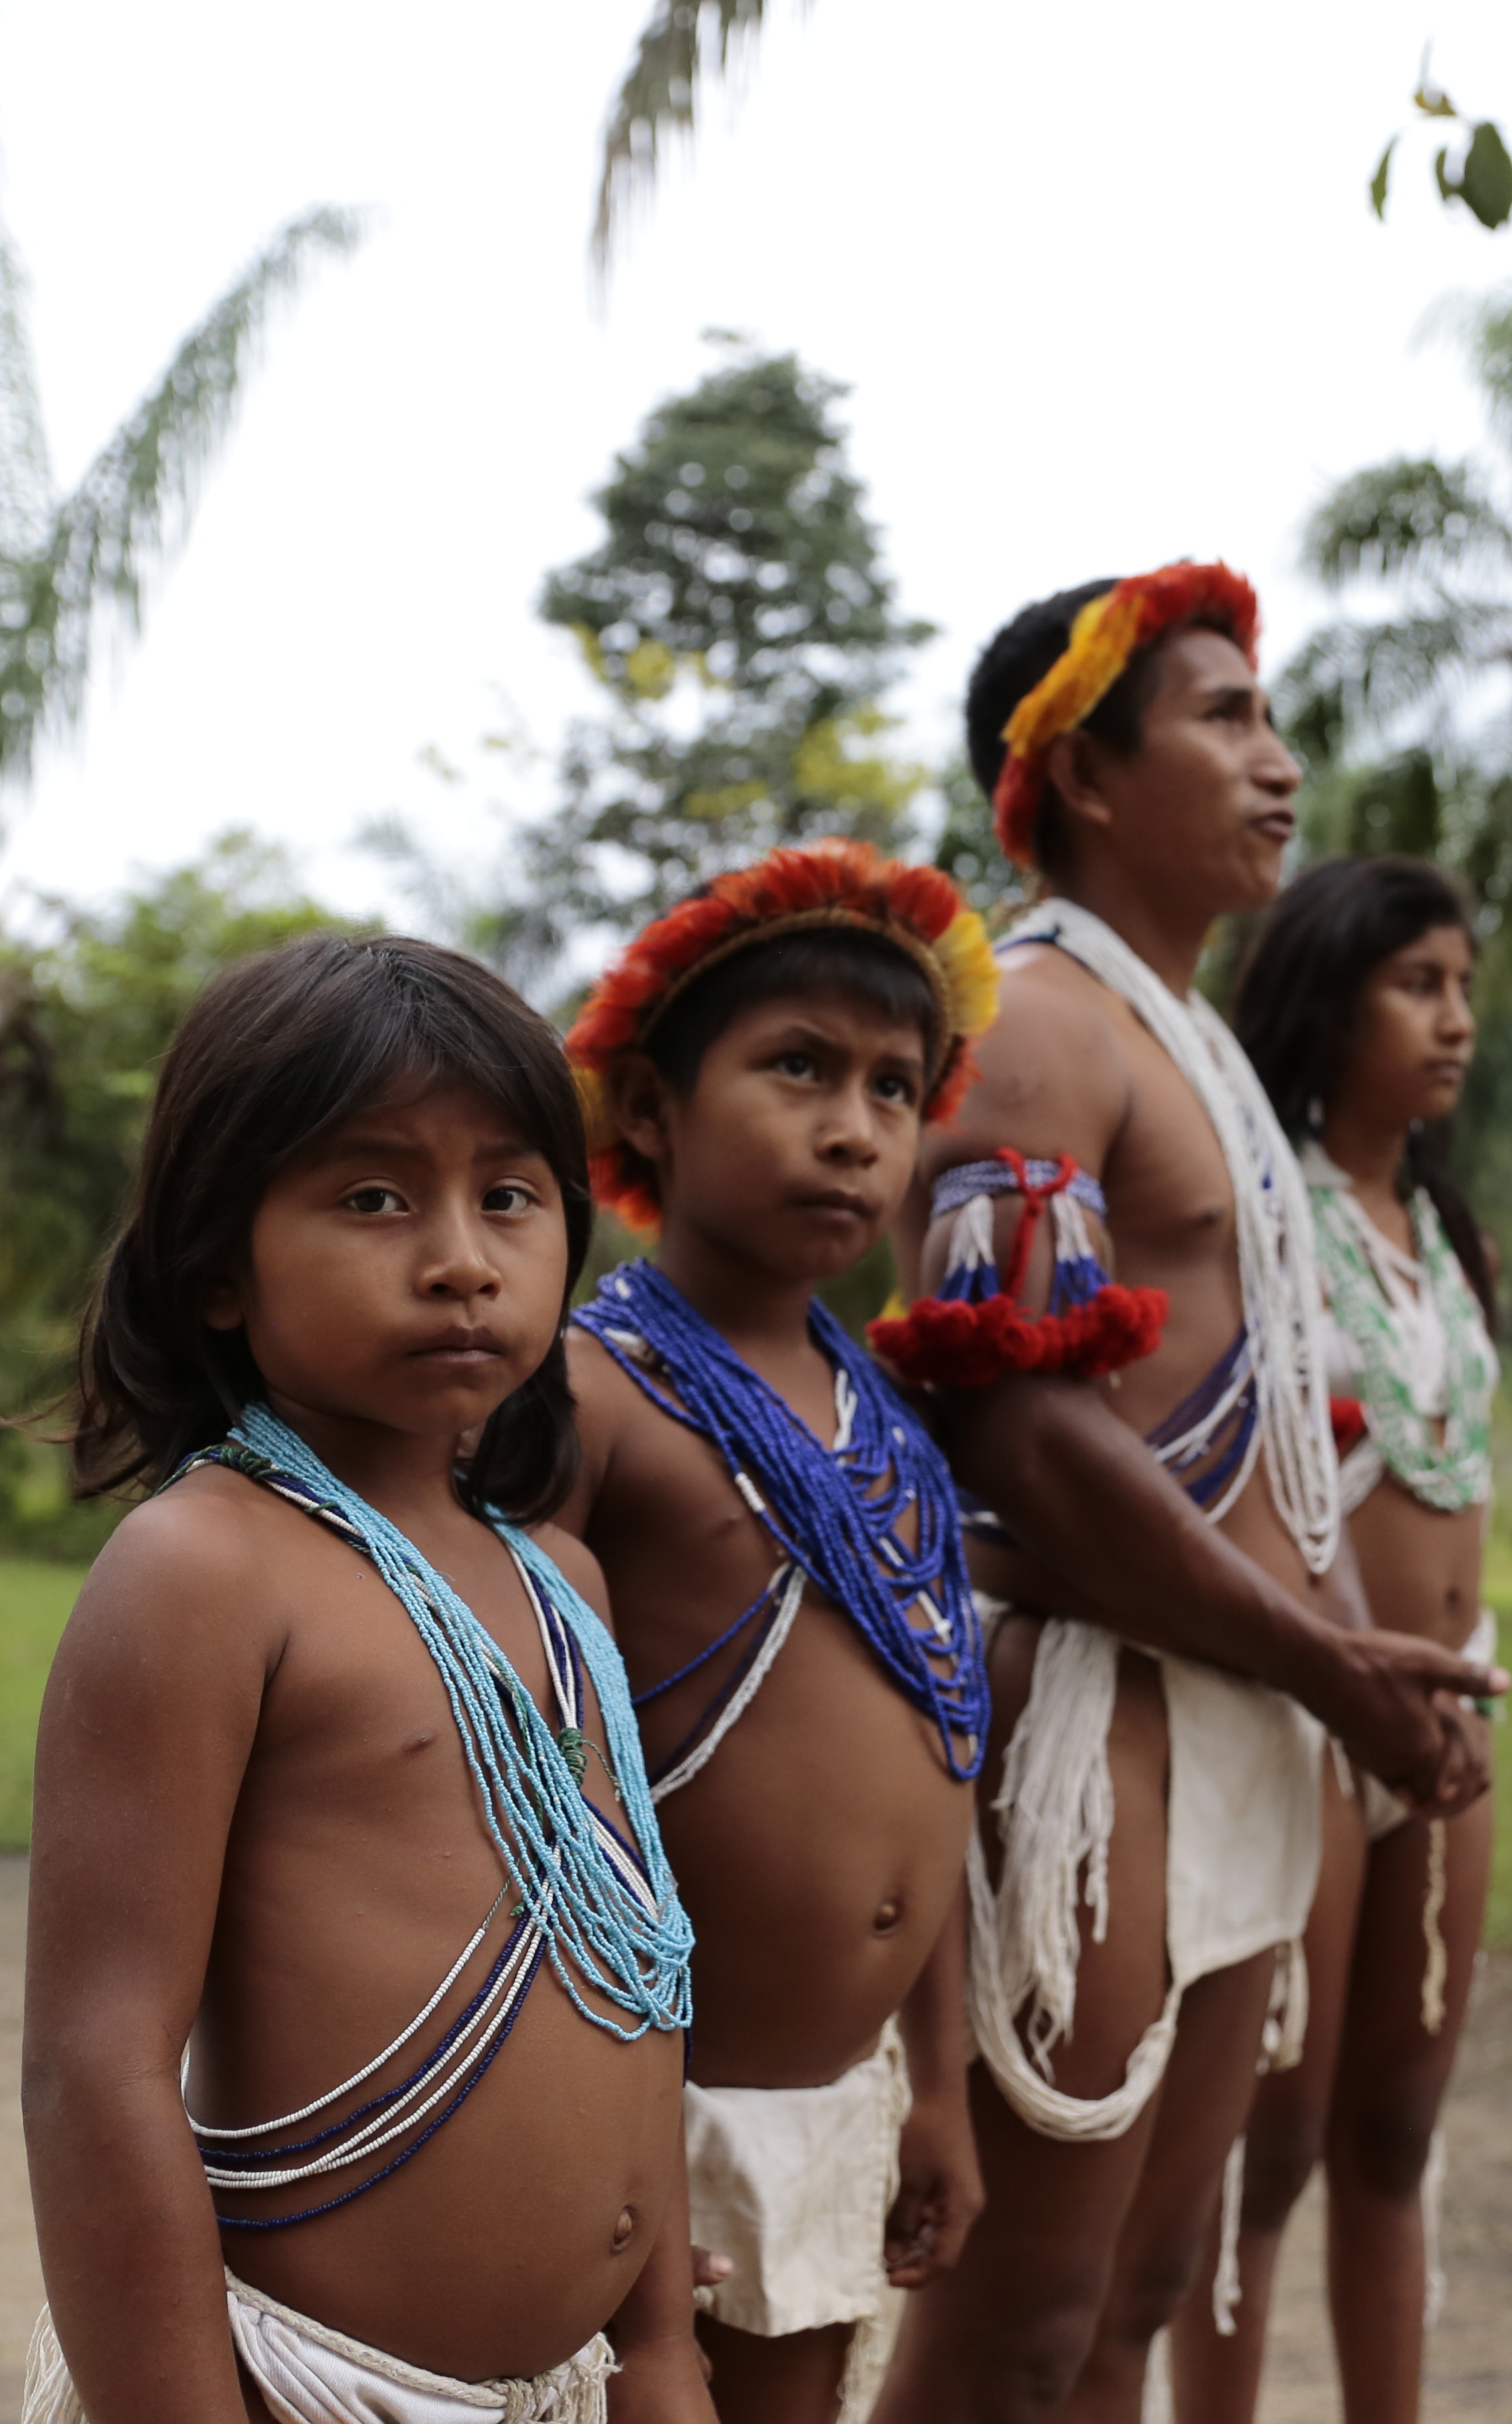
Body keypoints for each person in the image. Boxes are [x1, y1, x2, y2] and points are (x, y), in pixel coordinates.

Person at [863, 563, 1509, 2424]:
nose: (1279, 762)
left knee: (1142, 2292)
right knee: (1024, 2327)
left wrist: (1337, 1670)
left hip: (1239, 1713)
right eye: (1226, 718)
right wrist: (1327, 1659)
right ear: (1080, 770)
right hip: (1103, 1716)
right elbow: (1014, 1432)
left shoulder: (1190, 1041)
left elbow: (1254, 1427)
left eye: (1271, 717)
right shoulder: (1039, 1022)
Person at [22, 932, 706, 2424]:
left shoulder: (563, 1581)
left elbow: (636, 1968)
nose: (460, 1258)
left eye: (509, 1196)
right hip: (312, 2388)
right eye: (375, 1198)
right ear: (218, 1265)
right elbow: (96, 2066)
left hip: (576, 2386)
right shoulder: (207, 1569)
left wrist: (659, 2350)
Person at [552, 840, 1004, 2424]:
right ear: (650, 1108)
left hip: (838, 2097)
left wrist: (937, 2084)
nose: (854, 1127)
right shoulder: (591, 1398)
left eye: (894, 1088)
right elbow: (510, 1787)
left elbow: (941, 1752)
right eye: (798, 1067)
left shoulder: (887, 1425)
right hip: (643, 2106)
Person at [1171, 857, 1504, 2424]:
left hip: (1456, 1707)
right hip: (1313, 1709)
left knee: (1396, 2131)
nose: (1455, 1020)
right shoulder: (1259, 1218)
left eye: (1463, 987)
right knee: (1271, 2141)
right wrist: (1353, 1667)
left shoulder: (1442, 1231)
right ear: (1328, 1002)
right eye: (1416, 985)